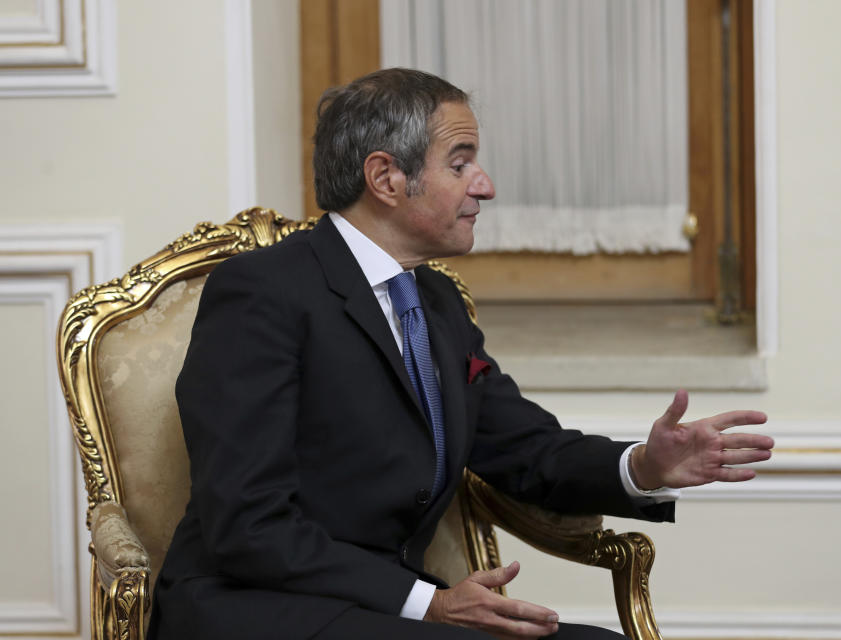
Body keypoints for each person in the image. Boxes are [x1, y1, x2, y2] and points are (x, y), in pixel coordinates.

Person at [147, 68, 773, 640]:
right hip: (259, 609)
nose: (486, 185)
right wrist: (429, 602)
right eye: (460, 162)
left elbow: (526, 450)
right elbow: (248, 524)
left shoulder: (437, 299)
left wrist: (643, 466)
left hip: (385, 609)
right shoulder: (263, 292)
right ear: (387, 178)